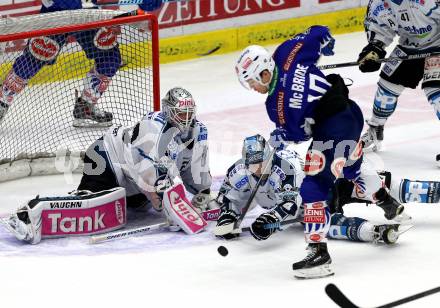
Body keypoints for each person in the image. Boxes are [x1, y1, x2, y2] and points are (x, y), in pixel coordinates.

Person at [234, 25, 408, 279]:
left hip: (333, 131)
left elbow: (299, 134)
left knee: (313, 187)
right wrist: (326, 45)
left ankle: (318, 254)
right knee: (351, 167)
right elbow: (318, 32)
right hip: (350, 113)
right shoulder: (287, 52)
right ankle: (390, 205)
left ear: (262, 72)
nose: (252, 88)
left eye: (251, 81)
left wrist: (282, 135)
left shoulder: (277, 107)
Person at [0, 87, 212, 244]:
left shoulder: (198, 131)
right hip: (106, 157)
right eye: (180, 113)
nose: (186, 118)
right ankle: (30, 215)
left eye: (189, 112)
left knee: (119, 212)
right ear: (168, 110)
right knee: (91, 206)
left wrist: (203, 193)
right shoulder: (153, 125)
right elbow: (145, 168)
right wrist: (162, 197)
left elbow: (197, 167)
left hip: (133, 185)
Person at [214, 135, 408, 247]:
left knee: (375, 186)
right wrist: (228, 216)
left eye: (260, 163)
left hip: (328, 185)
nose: (256, 169)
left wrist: (272, 219)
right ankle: (374, 232)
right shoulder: (239, 171)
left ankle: (419, 191)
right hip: (308, 208)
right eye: (252, 164)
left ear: (269, 158)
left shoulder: (286, 168)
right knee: (325, 226)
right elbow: (230, 197)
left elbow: (290, 203)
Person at [0, 0, 163, 127]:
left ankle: (85, 106)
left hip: (87, 17)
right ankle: (2, 100)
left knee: (109, 57)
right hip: (55, 15)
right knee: (34, 59)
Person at [358, 0, 440, 165]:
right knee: (385, 91)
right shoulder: (378, 4)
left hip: (438, 46)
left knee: (438, 96)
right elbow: (380, 28)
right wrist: (374, 49)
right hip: (408, 47)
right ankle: (375, 129)